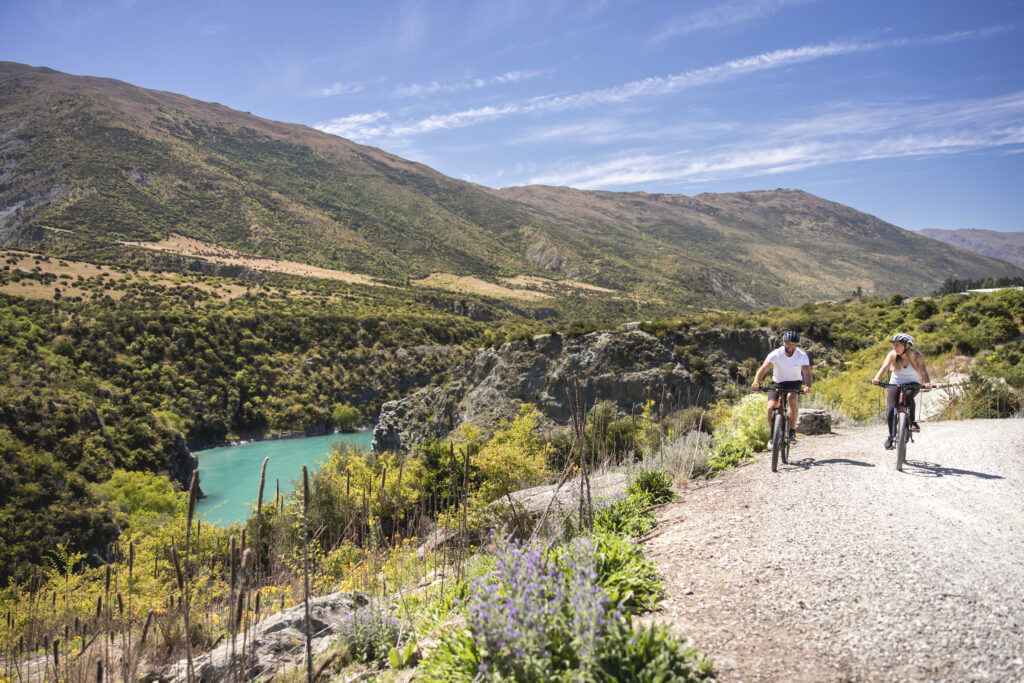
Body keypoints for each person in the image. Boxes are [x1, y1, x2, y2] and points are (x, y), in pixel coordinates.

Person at [871, 333, 933, 450]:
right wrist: (877, 378)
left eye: (898, 345)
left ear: (907, 345)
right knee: (891, 408)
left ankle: (912, 422)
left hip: (912, 383)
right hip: (895, 383)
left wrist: (927, 382)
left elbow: (923, 371)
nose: (895, 347)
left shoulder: (916, 356)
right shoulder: (892, 355)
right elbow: (884, 367)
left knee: (908, 395)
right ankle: (891, 436)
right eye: (894, 345)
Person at [752, 331, 813, 447]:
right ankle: (773, 436)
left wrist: (808, 386)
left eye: (794, 344)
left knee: (792, 399)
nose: (792, 347)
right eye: (789, 344)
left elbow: (807, 372)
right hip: (778, 382)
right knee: (771, 407)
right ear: (783, 343)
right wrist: (756, 381)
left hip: (794, 382)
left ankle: (792, 432)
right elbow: (764, 368)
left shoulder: (801, 355)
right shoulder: (775, 354)